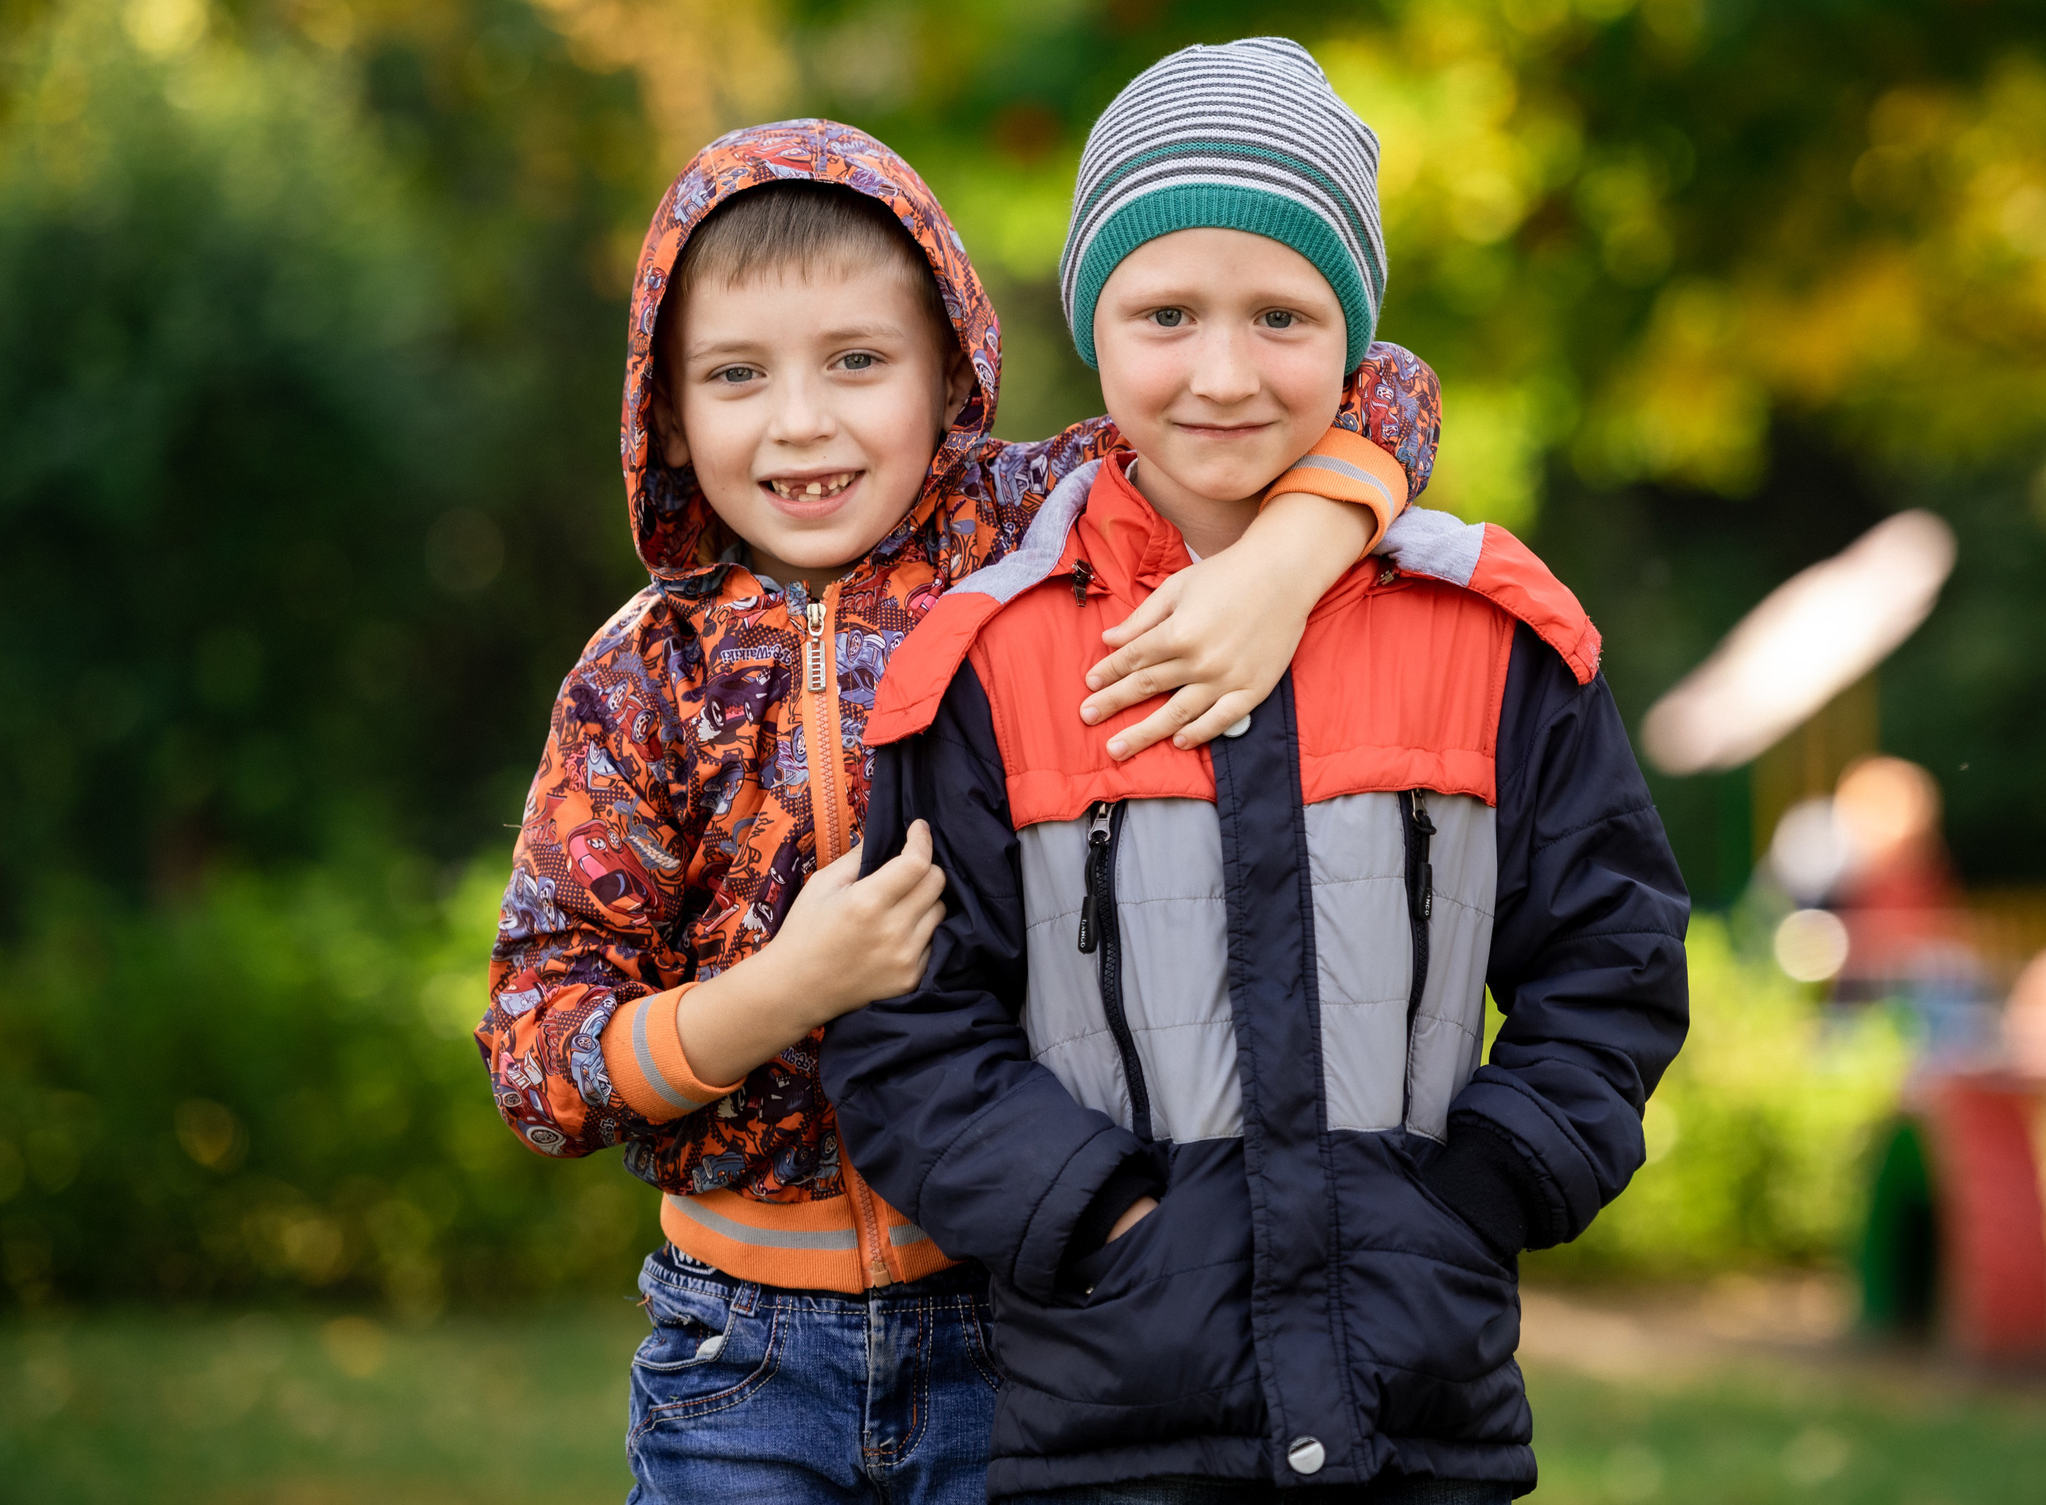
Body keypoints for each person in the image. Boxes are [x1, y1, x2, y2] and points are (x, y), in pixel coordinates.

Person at [477, 116, 1444, 1503]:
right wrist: (782, 988)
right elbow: (534, 1051)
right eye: (736, 375)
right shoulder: (645, 678)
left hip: (1029, 1310)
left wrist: (1286, 560)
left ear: (953, 369)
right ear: (667, 414)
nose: (800, 419)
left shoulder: (1036, 532)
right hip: (739, 1352)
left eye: (858, 361)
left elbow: (1382, 387)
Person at [824, 39, 1690, 1504]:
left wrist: (1481, 1190)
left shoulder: (1498, 636)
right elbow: (907, 1029)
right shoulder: (986, 661)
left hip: (1426, 1410)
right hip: (1112, 1427)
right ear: (1094, 330)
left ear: (1356, 343)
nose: (1224, 371)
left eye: (1283, 314)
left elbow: (1612, 959)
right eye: (1167, 311)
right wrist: (1097, 1213)